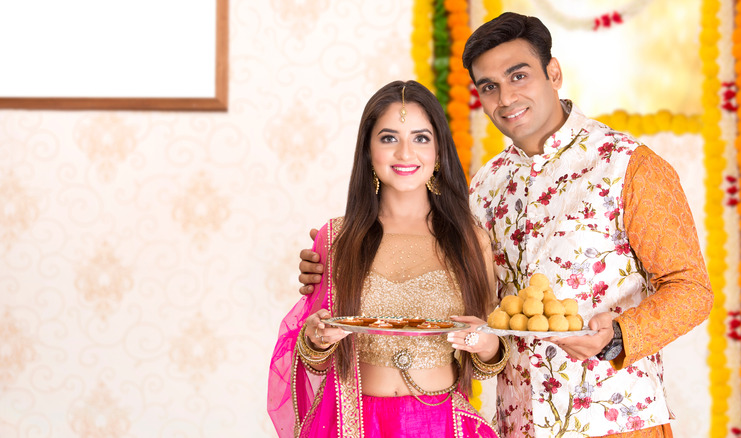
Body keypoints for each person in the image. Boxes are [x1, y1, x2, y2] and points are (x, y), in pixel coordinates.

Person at [297, 13, 713, 438]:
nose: (506, 96)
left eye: (519, 75)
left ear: (554, 73)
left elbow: (691, 288)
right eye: (489, 86)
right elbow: (460, 282)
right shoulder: (485, 186)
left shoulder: (628, 166)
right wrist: (333, 262)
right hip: (517, 424)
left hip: (616, 422)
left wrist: (619, 336)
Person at [268, 80, 506, 438]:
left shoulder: (470, 241)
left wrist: (487, 345)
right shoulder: (336, 239)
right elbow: (311, 355)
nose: (405, 153)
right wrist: (316, 339)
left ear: (439, 150)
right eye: (389, 138)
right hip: (352, 425)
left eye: (421, 138)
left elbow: (491, 356)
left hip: (442, 425)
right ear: (368, 150)